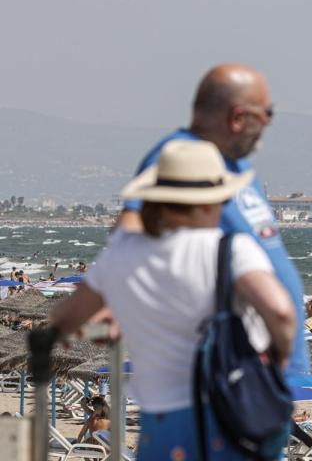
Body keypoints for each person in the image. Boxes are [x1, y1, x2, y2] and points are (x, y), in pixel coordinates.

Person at [49, 140, 296, 460]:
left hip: (162, 429)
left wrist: (81, 331)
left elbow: (68, 317)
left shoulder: (126, 252)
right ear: (214, 200)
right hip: (227, 421)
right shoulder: (232, 250)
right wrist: (277, 365)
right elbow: (281, 312)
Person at [114, 64, 309, 380]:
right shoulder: (181, 156)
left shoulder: (238, 166)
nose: (270, 123)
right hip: (232, 369)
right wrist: (114, 294)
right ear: (237, 117)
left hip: (268, 373)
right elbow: (132, 225)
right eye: (267, 113)